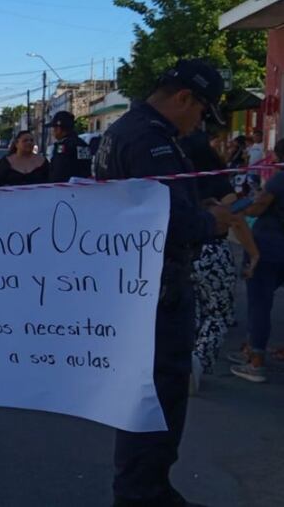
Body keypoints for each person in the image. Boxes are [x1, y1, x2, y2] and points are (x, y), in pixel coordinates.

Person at [94, 59, 232, 506]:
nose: (199, 123)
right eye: (202, 111)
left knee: (146, 396)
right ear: (183, 98)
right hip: (158, 289)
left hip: (137, 285)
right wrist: (212, 221)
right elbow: (167, 219)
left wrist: (198, 207)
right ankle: (144, 494)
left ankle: (146, 489)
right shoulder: (150, 139)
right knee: (158, 396)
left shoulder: (125, 130)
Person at [178, 129, 259, 394]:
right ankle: (197, 363)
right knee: (218, 313)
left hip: (182, 252)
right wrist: (253, 253)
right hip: (213, 252)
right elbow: (235, 219)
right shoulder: (219, 183)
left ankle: (183, 362)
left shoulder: (176, 179)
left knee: (192, 311)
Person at [229, 138, 284, 383]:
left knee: (259, 303)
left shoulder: (278, 180)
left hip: (269, 247)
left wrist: (243, 206)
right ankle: (254, 347)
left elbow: (258, 207)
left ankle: (256, 359)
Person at [46, 111, 92, 182]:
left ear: (59, 129)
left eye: (54, 128)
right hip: (82, 188)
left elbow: (58, 172)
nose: (53, 131)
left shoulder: (63, 146)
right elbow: (86, 167)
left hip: (65, 189)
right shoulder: (83, 144)